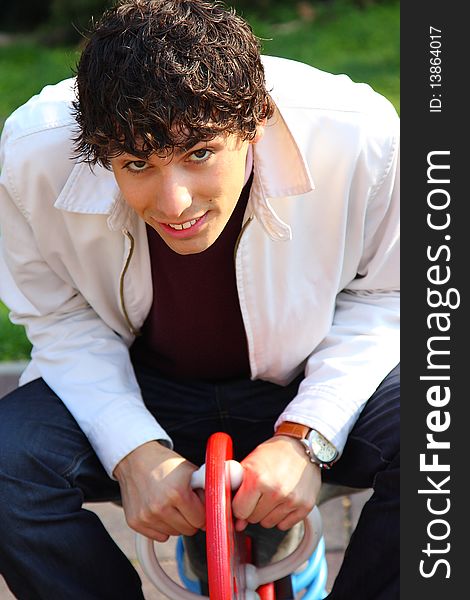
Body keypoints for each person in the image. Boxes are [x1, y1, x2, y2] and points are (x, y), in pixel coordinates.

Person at [0, 0, 399, 598]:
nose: (175, 203)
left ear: (255, 122)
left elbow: (391, 296)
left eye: (200, 154)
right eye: (137, 163)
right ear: (98, 148)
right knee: (9, 466)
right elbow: (61, 316)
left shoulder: (364, 135)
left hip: (308, 374)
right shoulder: (34, 152)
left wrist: (307, 438)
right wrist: (133, 450)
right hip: (143, 387)